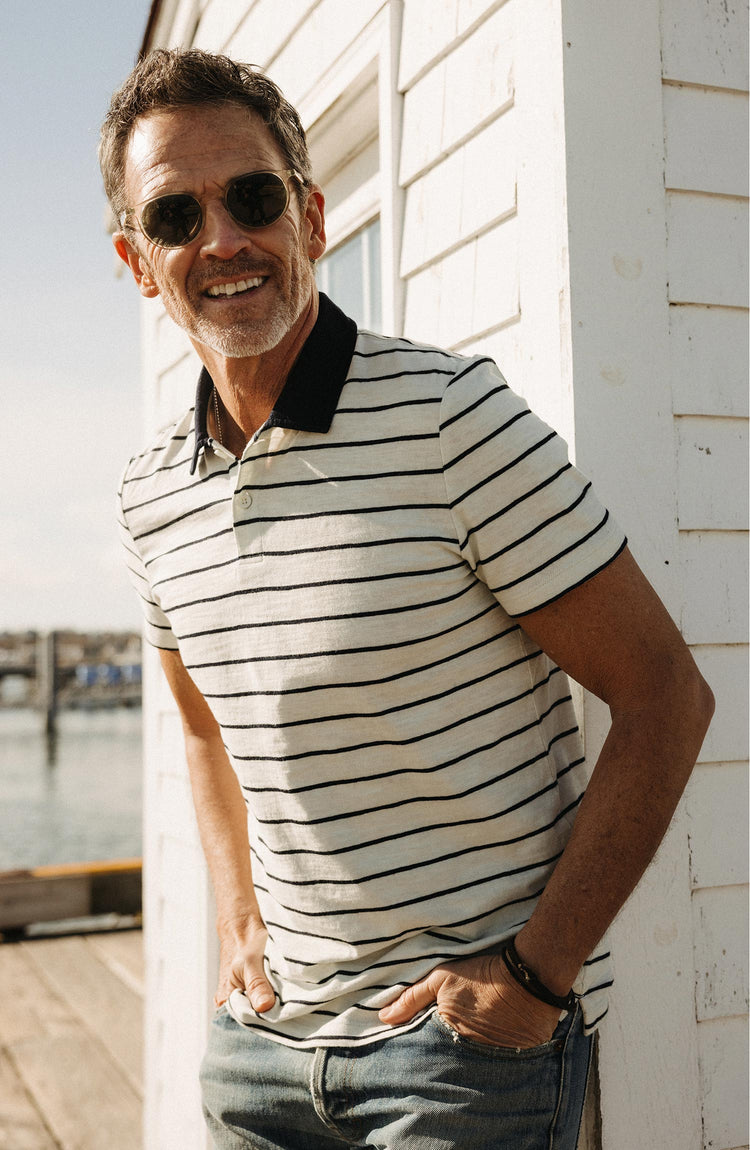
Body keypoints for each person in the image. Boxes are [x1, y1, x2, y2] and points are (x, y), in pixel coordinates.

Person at [102, 48, 714, 1150]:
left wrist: (535, 974)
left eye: (252, 197)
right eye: (176, 216)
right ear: (139, 262)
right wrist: (239, 915)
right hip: (264, 1048)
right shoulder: (150, 497)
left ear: (314, 214)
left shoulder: (449, 417)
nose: (223, 240)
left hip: (460, 1059)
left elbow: (667, 693)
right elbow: (201, 716)